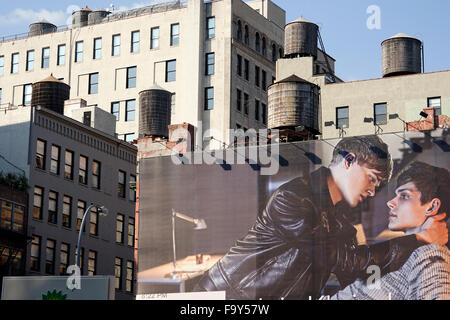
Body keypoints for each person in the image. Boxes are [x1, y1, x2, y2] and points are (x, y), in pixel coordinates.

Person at [194, 136, 448, 299]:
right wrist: (419, 239)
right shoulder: (294, 198)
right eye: (372, 178)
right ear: (349, 161)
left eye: (379, 184)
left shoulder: (338, 221)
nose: (373, 191)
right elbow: (343, 260)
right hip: (226, 297)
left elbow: (356, 274)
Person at [332, 162, 450, 300]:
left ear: (432, 207)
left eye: (404, 196)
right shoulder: (401, 252)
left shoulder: (431, 255)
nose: (391, 202)